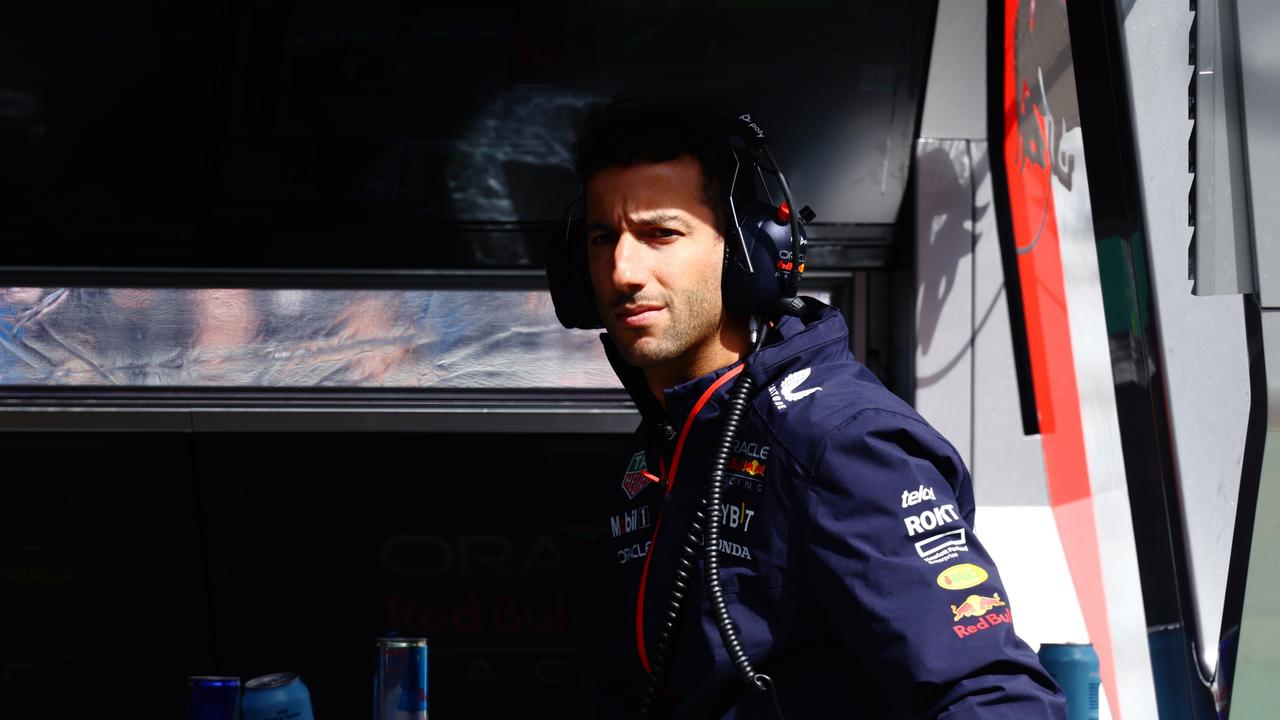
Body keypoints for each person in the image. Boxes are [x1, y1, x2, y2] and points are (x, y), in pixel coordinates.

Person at [554, 97, 1067, 718]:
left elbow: (991, 694)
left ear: (748, 250)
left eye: (661, 233)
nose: (622, 269)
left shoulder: (836, 441)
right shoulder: (667, 442)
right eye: (603, 237)